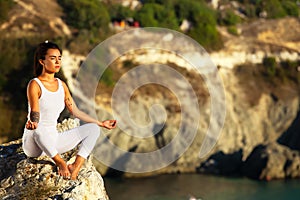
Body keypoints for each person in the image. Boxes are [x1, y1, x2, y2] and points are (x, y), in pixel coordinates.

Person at [22, 41, 117, 180]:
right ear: (42, 61)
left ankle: (75, 167)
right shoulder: (35, 84)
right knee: (39, 130)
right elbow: (35, 111)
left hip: (52, 142)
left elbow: (76, 112)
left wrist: (100, 123)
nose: (57, 62)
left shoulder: (62, 85)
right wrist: (33, 123)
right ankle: (60, 162)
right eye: (53, 58)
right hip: (34, 144)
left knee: (93, 129)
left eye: (59, 58)